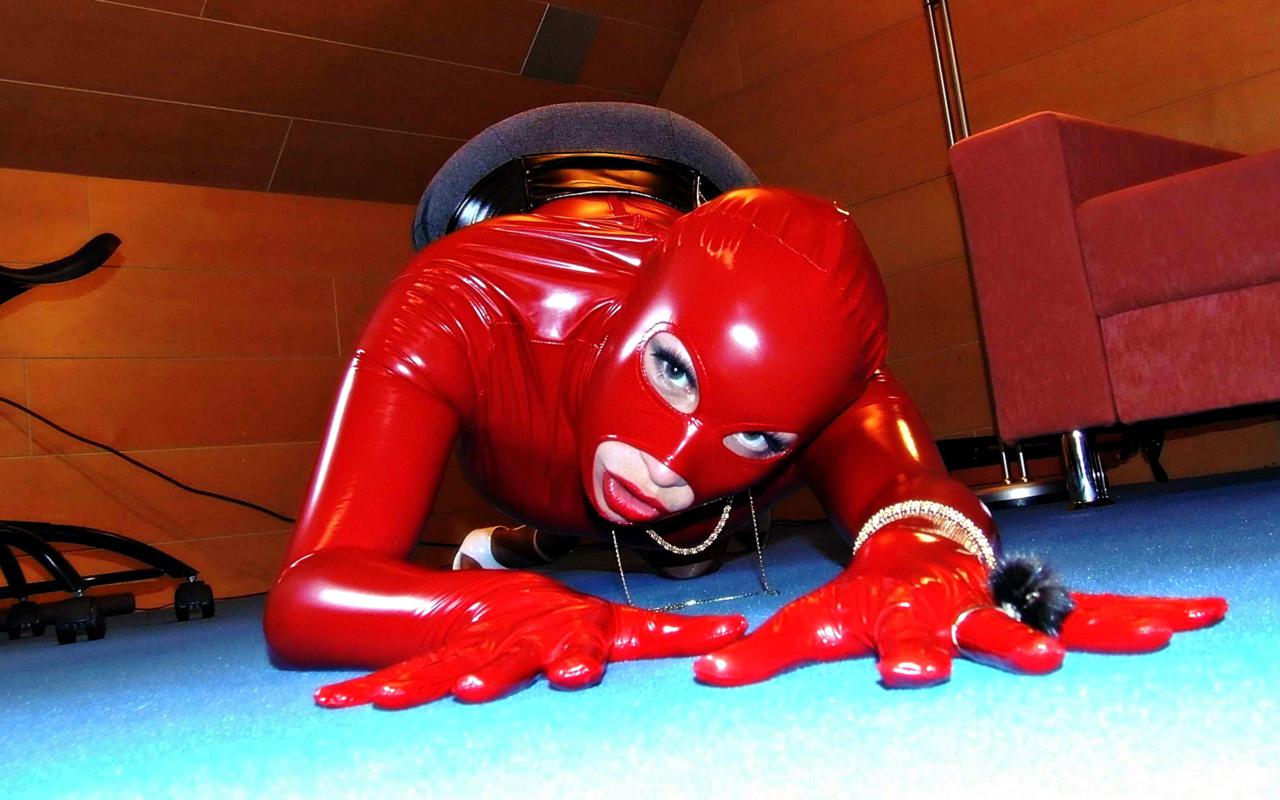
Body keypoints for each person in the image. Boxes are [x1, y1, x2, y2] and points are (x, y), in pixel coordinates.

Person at [263, 113, 1225, 711]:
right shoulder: (459, 302)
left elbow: (910, 492)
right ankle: (533, 544)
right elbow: (310, 591)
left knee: (698, 530)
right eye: (671, 370)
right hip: (529, 272)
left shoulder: (811, 358)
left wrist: (926, 551)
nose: (669, 462)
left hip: (713, 265)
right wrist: (482, 607)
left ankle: (548, 536)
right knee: (659, 523)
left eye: (757, 434)